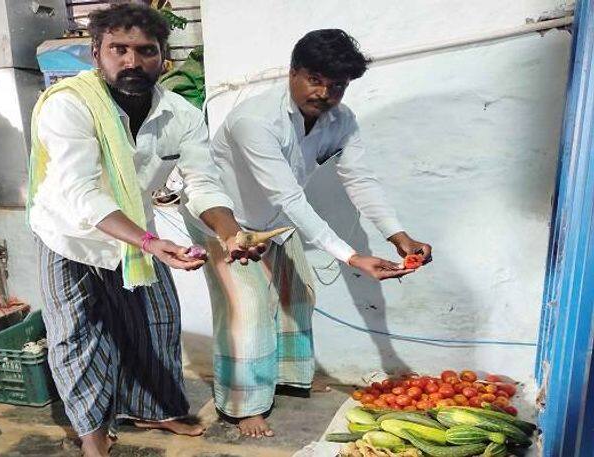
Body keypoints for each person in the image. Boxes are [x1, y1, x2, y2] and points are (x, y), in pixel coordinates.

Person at [26, 4, 263, 456]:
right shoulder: (69, 107)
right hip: (69, 236)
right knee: (77, 336)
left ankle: (154, 408)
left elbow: (201, 182)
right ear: (96, 54)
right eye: (119, 49)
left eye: (145, 51)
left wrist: (231, 233)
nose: (132, 62)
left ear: (163, 58)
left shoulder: (181, 114)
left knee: (158, 322)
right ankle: (93, 434)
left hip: (135, 238)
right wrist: (154, 243)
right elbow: (80, 194)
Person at [185, 29, 432, 438]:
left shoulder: (342, 120)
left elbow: (361, 180)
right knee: (246, 310)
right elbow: (290, 196)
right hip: (228, 220)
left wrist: (397, 236)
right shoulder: (256, 121)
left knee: (297, 296)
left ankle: (285, 378)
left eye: (337, 85)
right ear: (293, 72)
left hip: (276, 220)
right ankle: (245, 404)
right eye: (315, 79)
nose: (325, 92)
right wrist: (352, 257)